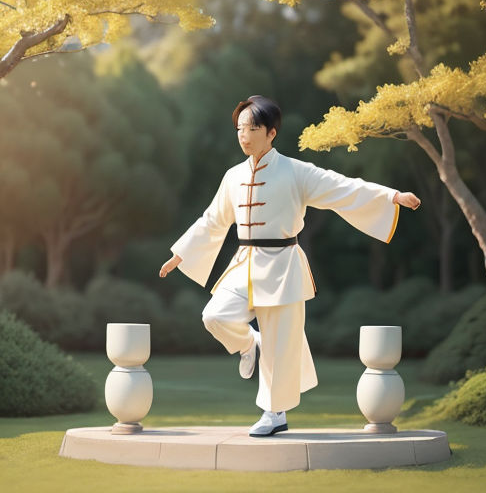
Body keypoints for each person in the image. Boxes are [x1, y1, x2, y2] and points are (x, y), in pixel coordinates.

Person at [159, 95, 420, 437]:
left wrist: (390, 196)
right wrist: (181, 253)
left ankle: (274, 413)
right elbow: (213, 220)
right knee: (215, 316)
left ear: (271, 132)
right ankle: (248, 344)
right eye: (240, 128)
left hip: (284, 267)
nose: (244, 135)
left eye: (252, 128)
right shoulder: (233, 176)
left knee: (281, 345)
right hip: (245, 263)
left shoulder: (296, 171)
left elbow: (339, 186)